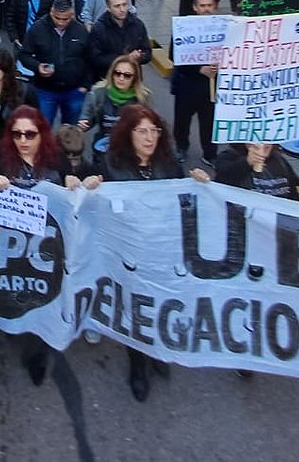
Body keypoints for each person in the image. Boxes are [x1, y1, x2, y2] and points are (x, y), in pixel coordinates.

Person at [86, 104, 212, 402]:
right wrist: (89, 187)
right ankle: (138, 365)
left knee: (160, 303)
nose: (149, 138)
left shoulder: (169, 165)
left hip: (161, 250)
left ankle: (157, 352)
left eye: (153, 131)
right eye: (141, 131)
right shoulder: (110, 165)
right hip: (126, 252)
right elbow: (95, 210)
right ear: (128, 134)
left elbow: (184, 204)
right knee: (134, 307)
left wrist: (200, 186)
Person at [0, 105, 71, 386]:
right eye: (17, 134)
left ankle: (37, 354)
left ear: (41, 134)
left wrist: (78, 182)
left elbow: (75, 191)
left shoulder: (56, 159)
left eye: (29, 134)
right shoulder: (1, 158)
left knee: (43, 300)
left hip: (49, 247)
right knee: (17, 296)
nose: (23, 140)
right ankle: (14, 327)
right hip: (14, 247)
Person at [19, 0, 93, 127]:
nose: (61, 23)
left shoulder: (80, 30)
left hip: (74, 90)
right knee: (43, 129)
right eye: (57, 18)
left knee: (71, 133)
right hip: (45, 90)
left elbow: (90, 59)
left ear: (72, 14)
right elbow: (24, 55)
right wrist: (37, 66)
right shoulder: (37, 29)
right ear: (51, 12)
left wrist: (85, 85)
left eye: (65, 19)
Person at [172, 0, 221, 166]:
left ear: (214, 7)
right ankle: (181, 147)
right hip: (187, 84)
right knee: (182, 120)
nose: (206, 9)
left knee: (209, 123)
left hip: (211, 87)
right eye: (203, 6)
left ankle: (210, 154)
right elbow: (174, 54)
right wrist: (200, 69)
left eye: (209, 5)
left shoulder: (222, 27)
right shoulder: (183, 27)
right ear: (195, 8)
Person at [77, 55, 149, 150]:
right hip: (103, 146)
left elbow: (146, 126)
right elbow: (86, 118)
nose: (121, 78)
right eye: (117, 73)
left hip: (129, 148)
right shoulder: (97, 93)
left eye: (127, 75)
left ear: (135, 78)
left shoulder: (141, 98)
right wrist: (84, 123)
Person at [86, 0, 151, 81]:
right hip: (108, 79)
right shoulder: (99, 28)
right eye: (117, 6)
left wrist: (140, 56)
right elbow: (95, 58)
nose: (122, 9)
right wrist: (124, 59)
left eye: (124, 5)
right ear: (108, 8)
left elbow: (148, 52)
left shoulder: (138, 24)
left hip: (133, 80)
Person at [215, 143, 299, 201]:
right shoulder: (229, 157)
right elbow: (222, 181)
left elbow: (292, 193)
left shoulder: (279, 160)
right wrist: (246, 163)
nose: (261, 144)